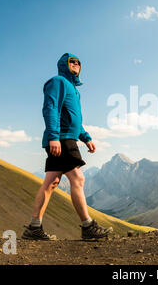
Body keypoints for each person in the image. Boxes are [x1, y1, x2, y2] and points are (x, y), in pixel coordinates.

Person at [22, 53, 112, 240]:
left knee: (51, 182)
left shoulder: (74, 90)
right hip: (61, 138)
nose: (76, 64)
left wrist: (86, 137)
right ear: (64, 64)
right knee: (78, 178)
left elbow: (73, 118)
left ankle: (34, 228)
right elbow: (50, 107)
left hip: (67, 136)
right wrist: (54, 136)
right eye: (72, 61)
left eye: (79, 62)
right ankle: (88, 227)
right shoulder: (57, 82)